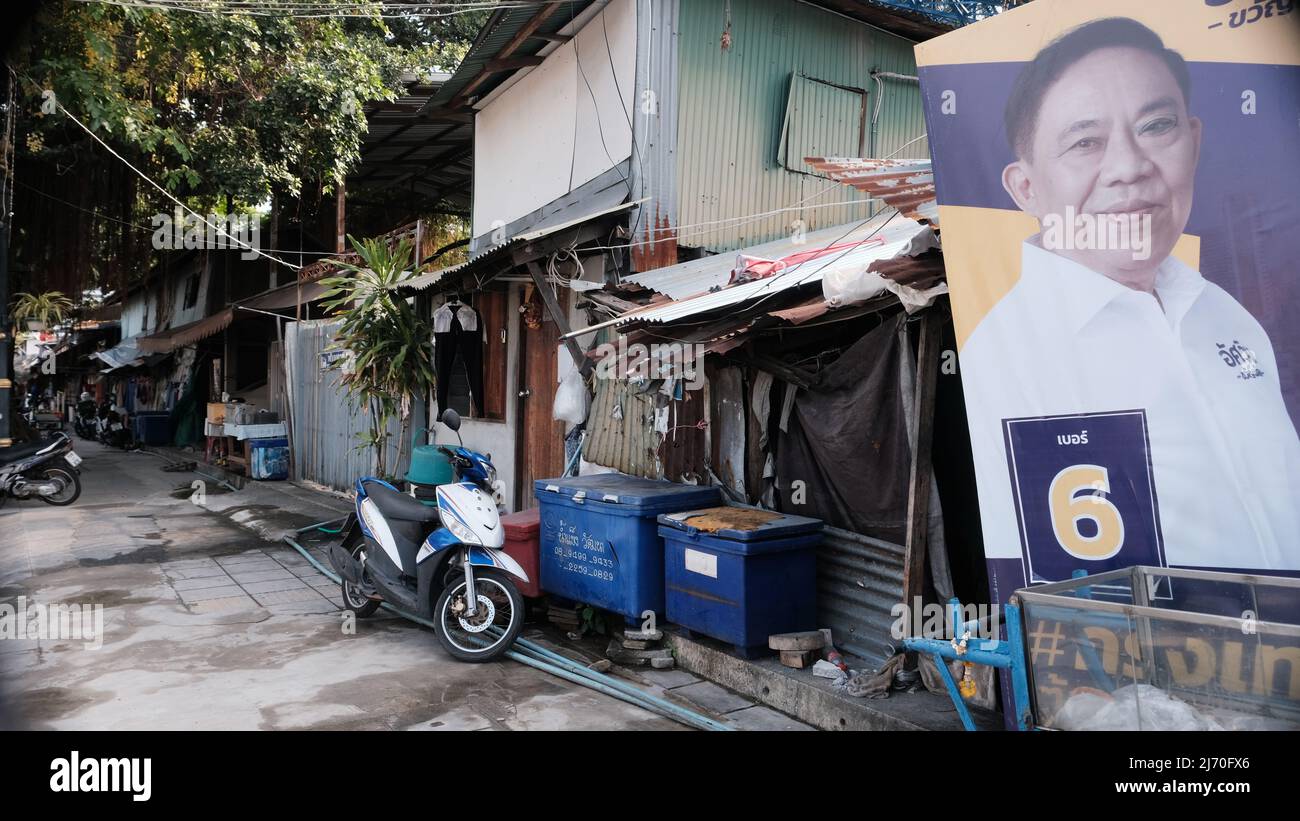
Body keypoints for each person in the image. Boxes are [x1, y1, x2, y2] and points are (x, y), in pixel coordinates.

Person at [960, 17, 1300, 575]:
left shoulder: (1230, 320)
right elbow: (1049, 595)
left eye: (1157, 126)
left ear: (1194, 142)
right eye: (1086, 142)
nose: (1129, 168)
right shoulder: (1002, 365)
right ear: (1026, 188)